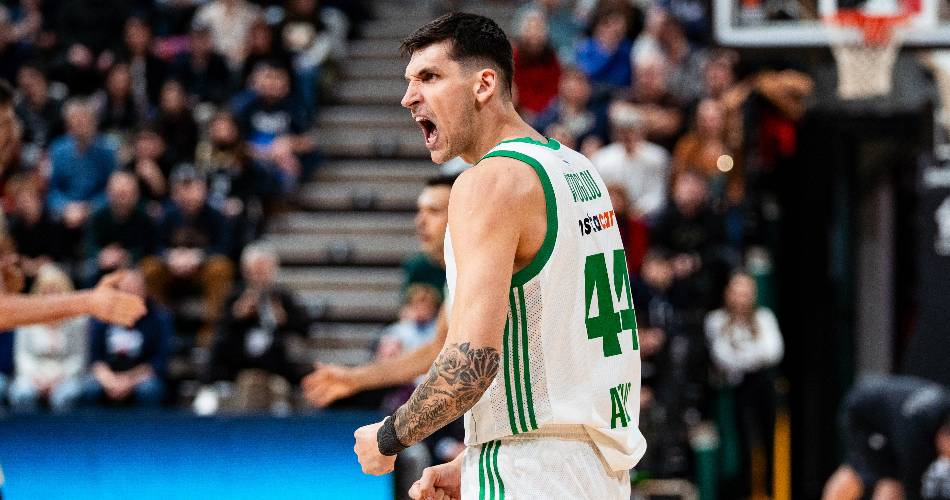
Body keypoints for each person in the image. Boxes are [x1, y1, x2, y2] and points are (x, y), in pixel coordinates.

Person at [351, 13, 644, 500]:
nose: (409, 97)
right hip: (595, 470)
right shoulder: (576, 167)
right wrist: (474, 459)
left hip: (533, 475)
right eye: (409, 81)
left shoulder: (489, 182)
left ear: (484, 84)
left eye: (429, 77)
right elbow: (563, 351)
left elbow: (473, 361)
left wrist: (389, 437)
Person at [302, 174, 456, 408]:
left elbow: (468, 367)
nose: (420, 221)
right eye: (419, 211)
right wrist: (355, 378)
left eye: (434, 211)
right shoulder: (455, 278)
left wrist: (398, 427)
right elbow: (436, 350)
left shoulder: (484, 273)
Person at [203, 242, 310, 413]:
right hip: (239, 363)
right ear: (246, 271)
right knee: (245, 380)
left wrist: (284, 320)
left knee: (277, 385)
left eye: (263, 270)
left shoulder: (284, 297)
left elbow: (303, 329)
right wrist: (237, 315)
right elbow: (220, 327)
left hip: (277, 364)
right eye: (255, 271)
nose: (259, 276)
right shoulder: (236, 297)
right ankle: (212, 388)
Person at [705, 271, 784, 498]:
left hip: (763, 386)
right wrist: (753, 356)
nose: (741, 298)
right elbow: (722, 357)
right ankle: (744, 492)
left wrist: (742, 356)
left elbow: (773, 352)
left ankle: (769, 492)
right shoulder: (717, 320)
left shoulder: (764, 317)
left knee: (769, 440)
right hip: (734, 390)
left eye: (746, 293)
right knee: (743, 444)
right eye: (737, 292)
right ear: (727, 293)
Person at [823, 376, 950, 500]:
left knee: (891, 478)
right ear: (944, 437)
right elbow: (912, 486)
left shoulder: (941, 413)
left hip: (892, 412)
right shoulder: (913, 438)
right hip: (863, 416)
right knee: (865, 471)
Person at [83, 270, 171, 408]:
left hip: (141, 376)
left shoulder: (159, 318)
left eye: (135, 289)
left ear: (145, 291)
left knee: (149, 390)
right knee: (89, 389)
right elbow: (95, 357)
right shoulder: (101, 317)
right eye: (126, 290)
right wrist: (110, 380)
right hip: (108, 374)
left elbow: (159, 360)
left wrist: (129, 381)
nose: (130, 294)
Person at [8, 264, 88, 413]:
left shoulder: (78, 321)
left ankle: (65, 428)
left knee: (63, 395)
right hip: (33, 376)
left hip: (65, 376)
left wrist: (57, 379)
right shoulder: (25, 319)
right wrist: (37, 379)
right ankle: (26, 427)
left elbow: (78, 358)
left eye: (56, 291)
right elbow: (22, 356)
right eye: (46, 291)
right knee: (22, 393)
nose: (51, 297)